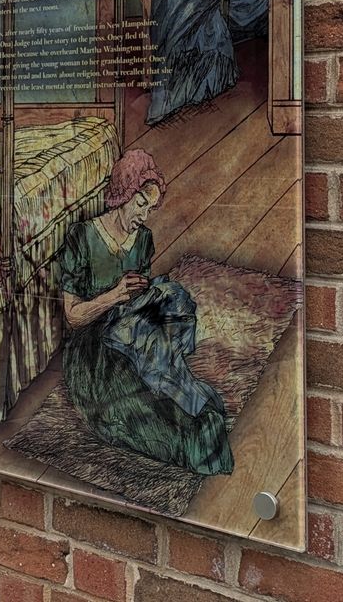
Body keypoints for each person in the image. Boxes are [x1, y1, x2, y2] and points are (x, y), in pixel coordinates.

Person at [57, 150, 232, 475]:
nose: (144, 216)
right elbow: (73, 316)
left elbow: (141, 298)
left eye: (150, 209)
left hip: (133, 332)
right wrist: (115, 295)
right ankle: (184, 429)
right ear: (122, 194)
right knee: (151, 418)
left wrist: (147, 298)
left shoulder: (143, 240)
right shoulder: (81, 238)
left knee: (172, 298)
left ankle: (184, 399)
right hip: (96, 353)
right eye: (140, 204)